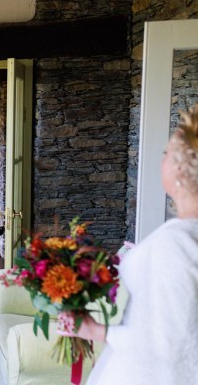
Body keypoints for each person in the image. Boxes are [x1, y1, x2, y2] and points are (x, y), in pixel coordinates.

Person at [59, 104, 198, 384]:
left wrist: (94, 329)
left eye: (165, 154)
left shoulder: (175, 244)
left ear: (180, 170)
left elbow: (168, 345)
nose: (161, 161)